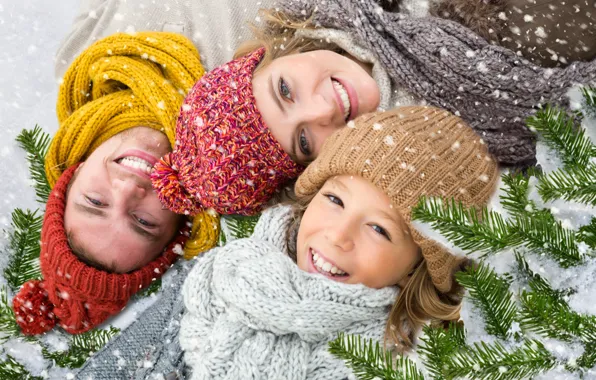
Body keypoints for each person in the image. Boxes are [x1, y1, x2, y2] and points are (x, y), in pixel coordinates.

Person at [74, 105, 499, 379]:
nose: (338, 235)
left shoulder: (396, 363)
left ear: (416, 265)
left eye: (379, 229)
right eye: (334, 200)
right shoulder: (215, 280)